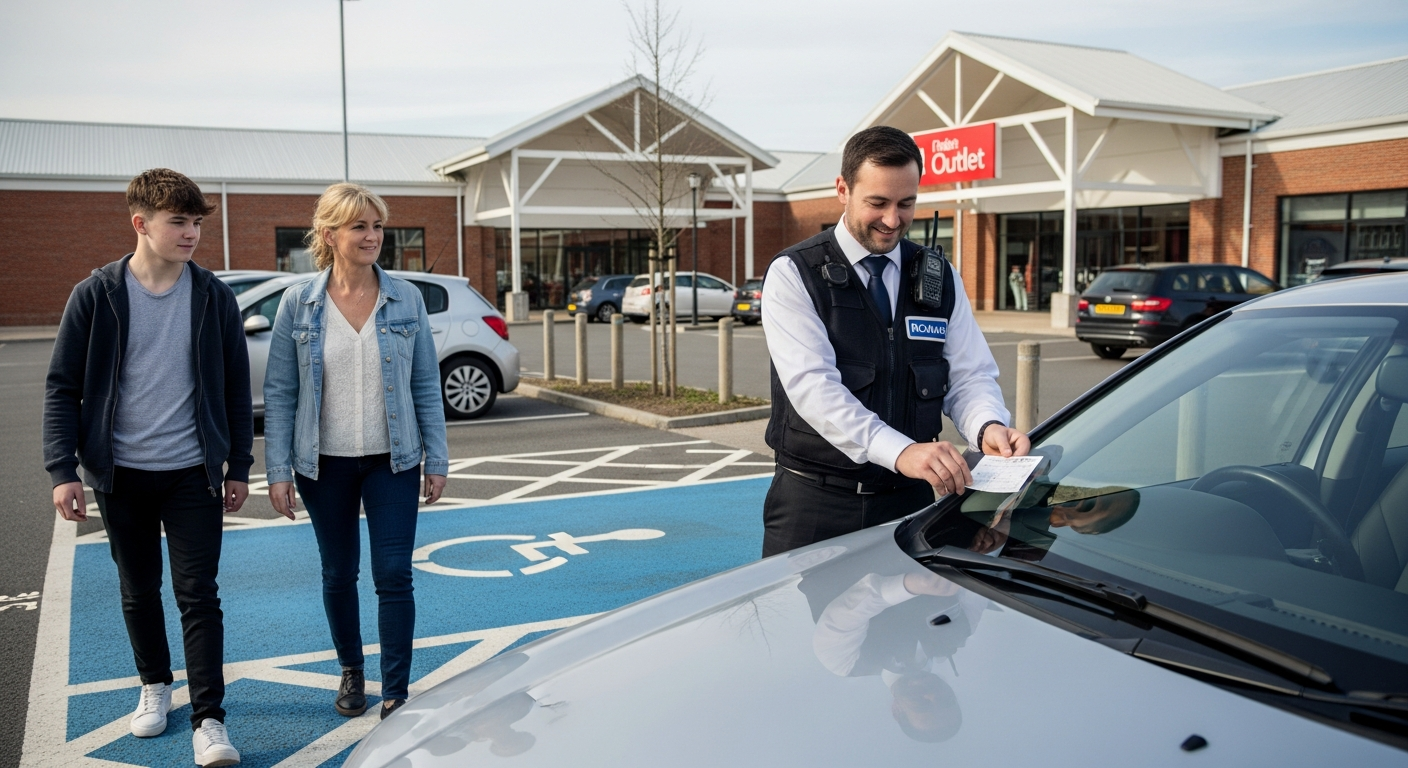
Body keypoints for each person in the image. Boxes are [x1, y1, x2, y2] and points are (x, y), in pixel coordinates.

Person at [43, 168, 250, 766]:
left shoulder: (213, 296)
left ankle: (209, 719)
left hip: (193, 472)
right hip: (122, 473)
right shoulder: (97, 295)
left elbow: (235, 387)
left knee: (198, 594)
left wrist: (238, 463)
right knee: (138, 589)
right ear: (141, 223)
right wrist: (64, 470)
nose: (191, 234)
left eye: (196, 223)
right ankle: (155, 686)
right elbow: (63, 388)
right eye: (178, 222)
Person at [761, 126, 1029, 557]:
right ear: (842, 190)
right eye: (877, 203)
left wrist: (987, 425)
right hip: (815, 505)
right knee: (799, 626)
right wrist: (901, 451)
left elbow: (968, 374)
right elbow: (815, 389)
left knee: (915, 624)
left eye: (907, 204)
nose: (893, 220)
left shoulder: (939, 277)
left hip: (912, 501)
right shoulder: (795, 274)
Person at [263, 183, 448, 721]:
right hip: (324, 463)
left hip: (394, 460)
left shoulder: (405, 297)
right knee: (339, 572)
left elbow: (424, 386)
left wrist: (435, 458)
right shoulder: (299, 302)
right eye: (359, 227)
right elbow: (280, 391)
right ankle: (351, 669)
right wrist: (278, 471)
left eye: (377, 226)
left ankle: (395, 691)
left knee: (393, 573)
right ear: (329, 234)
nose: (372, 237)